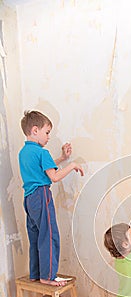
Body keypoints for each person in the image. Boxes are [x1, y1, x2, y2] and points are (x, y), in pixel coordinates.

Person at [19, 110, 84, 286]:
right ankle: (48, 276)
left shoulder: (24, 152)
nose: (48, 137)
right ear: (35, 130)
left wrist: (62, 158)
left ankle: (35, 273)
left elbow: (43, 168)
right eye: (47, 132)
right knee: (49, 235)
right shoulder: (42, 152)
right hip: (42, 196)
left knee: (35, 235)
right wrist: (71, 165)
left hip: (29, 198)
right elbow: (53, 177)